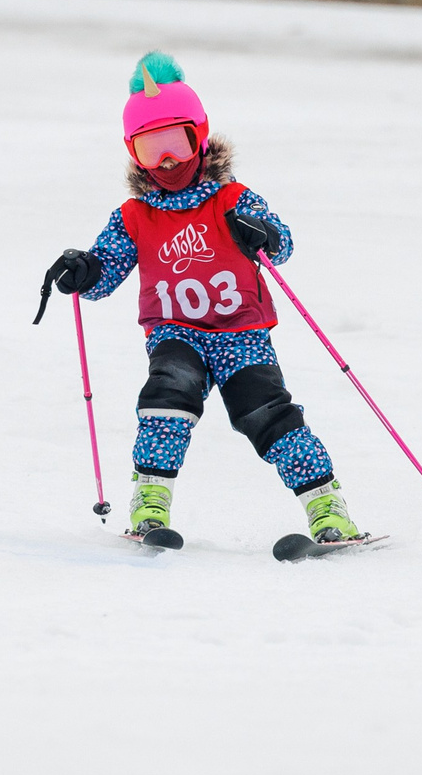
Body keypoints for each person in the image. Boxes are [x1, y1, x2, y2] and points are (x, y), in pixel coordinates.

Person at [41, 53, 364, 550]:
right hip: (176, 332)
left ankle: (328, 508)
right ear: (134, 153)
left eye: (176, 143)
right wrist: (84, 270)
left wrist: (262, 234)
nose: (167, 161)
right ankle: (149, 505)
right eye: (152, 150)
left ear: (200, 136)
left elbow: (283, 244)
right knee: (167, 401)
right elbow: (104, 274)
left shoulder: (231, 197)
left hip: (241, 332)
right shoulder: (134, 215)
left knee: (267, 415)